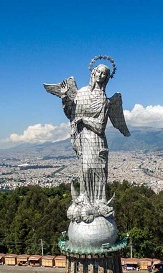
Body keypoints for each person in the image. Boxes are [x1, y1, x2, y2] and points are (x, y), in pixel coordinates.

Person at [44, 56, 130, 222]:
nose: (100, 75)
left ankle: (100, 201)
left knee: (98, 172)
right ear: (93, 73)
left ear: (107, 78)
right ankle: (85, 199)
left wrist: (83, 120)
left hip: (97, 140)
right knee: (84, 170)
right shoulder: (81, 93)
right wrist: (64, 97)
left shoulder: (105, 100)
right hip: (84, 139)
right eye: (98, 71)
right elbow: (71, 114)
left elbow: (99, 126)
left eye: (104, 73)